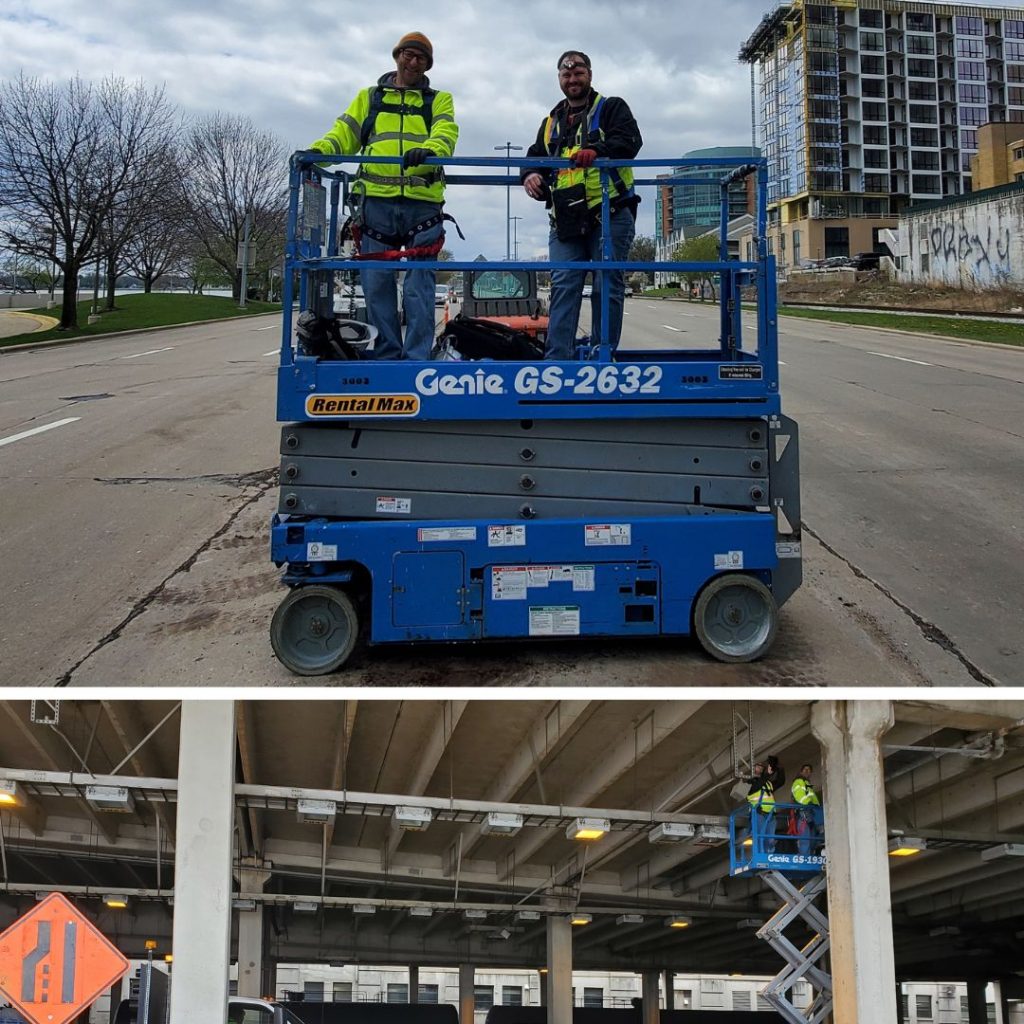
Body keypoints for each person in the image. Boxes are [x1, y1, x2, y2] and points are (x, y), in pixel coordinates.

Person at [308, 32, 459, 360]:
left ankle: (416, 358)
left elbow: (446, 133)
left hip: (423, 206)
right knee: (377, 285)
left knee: (420, 288)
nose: (414, 61)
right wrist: (316, 153)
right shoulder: (370, 97)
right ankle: (388, 354)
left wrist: (430, 150)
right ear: (397, 56)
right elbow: (344, 134)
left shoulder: (438, 101)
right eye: (409, 54)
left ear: (427, 65)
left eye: (421, 57)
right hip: (375, 204)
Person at [522, 50, 642, 359]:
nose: (572, 79)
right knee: (563, 285)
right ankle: (557, 359)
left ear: (589, 74)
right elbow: (535, 154)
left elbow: (629, 142)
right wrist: (530, 174)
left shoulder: (611, 108)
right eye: (566, 75)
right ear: (559, 79)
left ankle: (602, 354)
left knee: (607, 285)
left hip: (610, 212)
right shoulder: (551, 122)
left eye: (578, 73)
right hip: (566, 217)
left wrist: (598, 151)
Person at [791, 761, 822, 857]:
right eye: (805, 769)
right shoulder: (798, 782)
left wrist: (817, 807)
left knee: (813, 839)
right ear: (801, 772)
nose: (807, 771)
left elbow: (813, 798)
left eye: (809, 770)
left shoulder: (807, 784)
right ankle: (804, 858)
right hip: (803, 813)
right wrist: (809, 803)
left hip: (811, 814)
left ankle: (810, 856)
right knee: (805, 839)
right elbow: (800, 796)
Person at [745, 761, 777, 853]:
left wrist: (779, 768)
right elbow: (758, 785)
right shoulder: (750, 782)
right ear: (752, 768)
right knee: (760, 837)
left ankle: (769, 857)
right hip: (759, 813)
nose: (760, 768)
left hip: (771, 813)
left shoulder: (768, 783)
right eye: (757, 766)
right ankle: (760, 857)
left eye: (761, 767)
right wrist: (767, 774)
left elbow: (780, 781)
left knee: (770, 840)